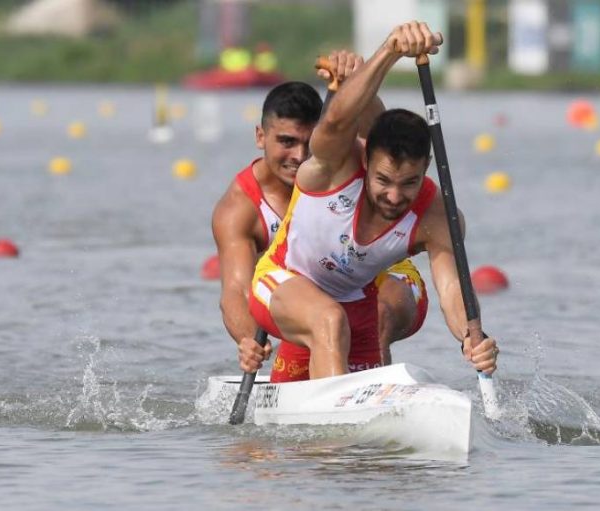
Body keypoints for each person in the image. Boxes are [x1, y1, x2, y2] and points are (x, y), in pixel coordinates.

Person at [249, 21, 499, 381]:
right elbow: (336, 121)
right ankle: (332, 432)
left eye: (409, 182)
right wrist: (391, 51)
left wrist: (471, 339)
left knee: (344, 338)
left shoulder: (436, 215)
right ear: (364, 160)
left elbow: (450, 288)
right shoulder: (334, 166)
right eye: (383, 180)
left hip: (355, 302)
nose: (395, 196)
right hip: (280, 281)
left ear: (426, 168)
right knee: (328, 319)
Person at [212, 51, 430, 381]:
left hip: (380, 273)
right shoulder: (241, 206)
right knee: (323, 324)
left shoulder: (339, 160)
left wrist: (358, 78)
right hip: (303, 291)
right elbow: (237, 289)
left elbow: (380, 133)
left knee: (380, 312)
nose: (299, 156)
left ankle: (376, 391)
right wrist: (247, 340)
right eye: (286, 142)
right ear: (261, 137)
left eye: (307, 142)